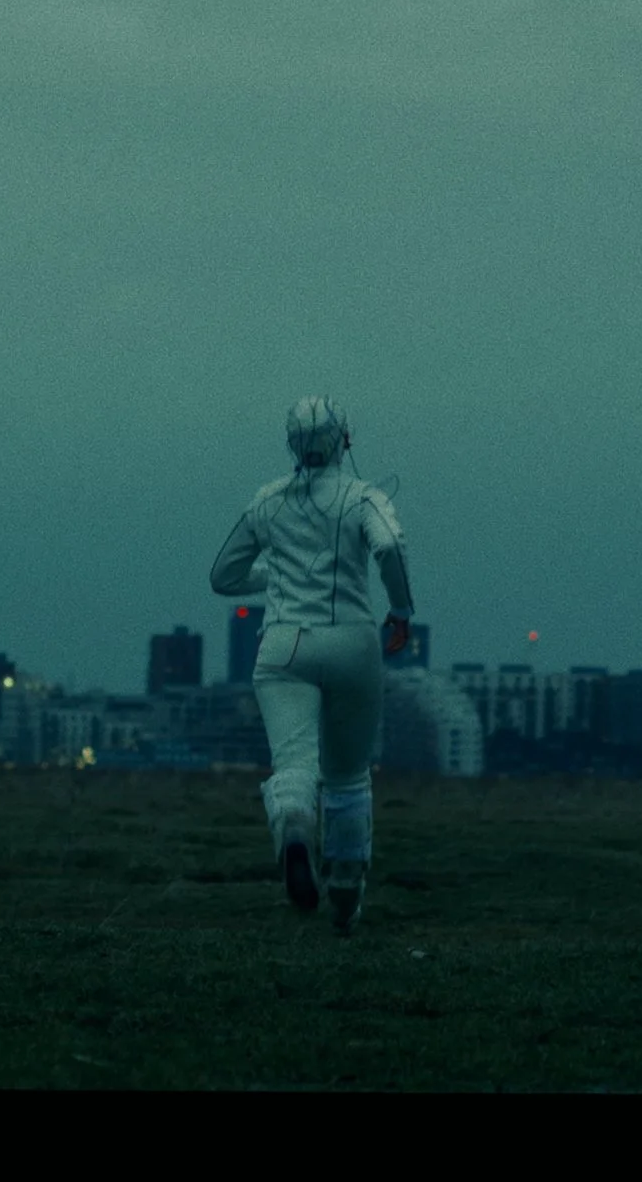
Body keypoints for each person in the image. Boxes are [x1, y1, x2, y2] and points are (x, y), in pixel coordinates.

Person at [210, 396, 414, 935]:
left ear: (292, 446)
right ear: (345, 439)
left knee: (294, 763)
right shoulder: (362, 497)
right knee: (348, 776)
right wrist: (400, 611)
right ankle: (346, 895)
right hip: (351, 641)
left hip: (283, 646)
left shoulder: (267, 502)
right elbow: (390, 545)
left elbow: (223, 578)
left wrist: (276, 576)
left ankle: (296, 828)